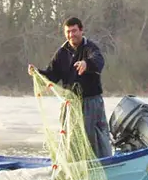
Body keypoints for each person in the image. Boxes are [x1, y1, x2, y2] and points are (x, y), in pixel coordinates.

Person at [29, 17, 113, 159]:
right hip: (70, 104)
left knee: (92, 136)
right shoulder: (61, 53)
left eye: (74, 31)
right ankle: (73, 166)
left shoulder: (90, 47)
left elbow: (98, 60)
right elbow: (52, 75)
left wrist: (86, 64)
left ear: (81, 30)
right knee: (70, 137)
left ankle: (101, 163)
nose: (71, 35)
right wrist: (37, 72)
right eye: (68, 32)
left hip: (90, 102)